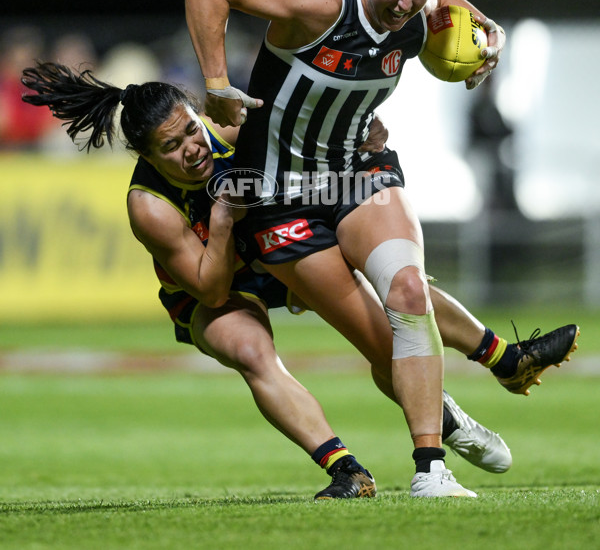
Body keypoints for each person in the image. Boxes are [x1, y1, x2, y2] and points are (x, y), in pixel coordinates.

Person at [182, 0, 579, 496]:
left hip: (357, 174)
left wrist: (492, 38)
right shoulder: (315, 6)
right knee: (381, 345)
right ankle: (458, 405)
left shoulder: (424, 9)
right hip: (280, 198)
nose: (406, 3)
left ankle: (431, 471)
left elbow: (475, 20)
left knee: (407, 294)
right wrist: (217, 85)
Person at [21, 61, 521, 501]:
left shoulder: (228, 132)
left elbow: (315, 143)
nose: (192, 150)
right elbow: (211, 289)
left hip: (271, 253)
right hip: (213, 287)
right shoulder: (148, 206)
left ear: (199, 115)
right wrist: (221, 220)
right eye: (170, 148)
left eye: (191, 131)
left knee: (394, 296)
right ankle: (347, 470)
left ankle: (472, 392)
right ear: (147, 157)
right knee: (250, 350)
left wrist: (362, 138)